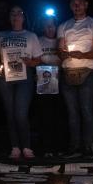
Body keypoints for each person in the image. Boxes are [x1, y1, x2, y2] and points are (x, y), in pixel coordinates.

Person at [57, 0, 93, 157]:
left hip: (87, 71)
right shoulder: (63, 25)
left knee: (86, 110)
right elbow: (60, 47)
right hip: (68, 71)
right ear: (70, 6)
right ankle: (74, 146)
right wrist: (64, 54)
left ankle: (87, 146)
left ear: (86, 4)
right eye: (73, 3)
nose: (77, 5)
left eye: (80, 3)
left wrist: (82, 55)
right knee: (72, 112)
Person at [0, 4, 43, 159]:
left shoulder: (31, 36)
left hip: (24, 75)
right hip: (6, 76)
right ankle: (15, 147)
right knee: (10, 112)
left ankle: (27, 147)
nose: (16, 16)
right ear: (9, 17)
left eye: (19, 13)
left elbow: (38, 60)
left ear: (23, 17)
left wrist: (29, 62)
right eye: (12, 13)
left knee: (20, 113)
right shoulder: (1, 35)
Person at [35, 15, 66, 157]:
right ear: (42, 27)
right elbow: (35, 60)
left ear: (56, 26)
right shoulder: (38, 41)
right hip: (44, 83)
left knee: (60, 115)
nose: (49, 28)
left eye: (52, 25)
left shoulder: (62, 41)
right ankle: (46, 147)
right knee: (45, 115)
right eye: (46, 25)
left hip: (62, 82)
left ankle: (60, 147)